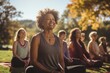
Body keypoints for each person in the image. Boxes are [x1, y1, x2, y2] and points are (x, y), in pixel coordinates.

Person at [25, 8, 65, 73]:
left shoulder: (59, 40)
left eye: (53, 19)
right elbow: (33, 61)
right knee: (29, 70)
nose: (52, 21)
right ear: (42, 23)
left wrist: (63, 70)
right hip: (41, 71)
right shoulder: (36, 38)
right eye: (48, 19)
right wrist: (50, 72)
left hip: (56, 71)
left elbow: (61, 60)